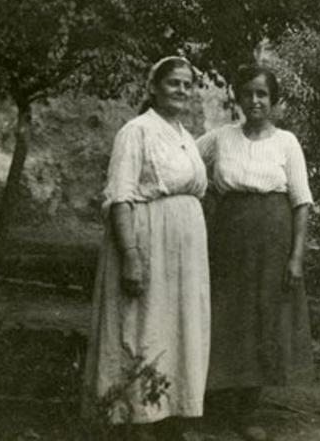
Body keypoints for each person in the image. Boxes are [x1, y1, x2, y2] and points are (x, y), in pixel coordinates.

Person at [83, 56, 210, 440]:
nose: (182, 90)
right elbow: (120, 197)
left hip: (184, 255)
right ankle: (137, 419)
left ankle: (171, 412)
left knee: (178, 328)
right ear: (153, 87)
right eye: (174, 83)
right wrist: (131, 256)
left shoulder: (185, 135)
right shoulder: (135, 131)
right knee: (144, 326)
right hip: (149, 242)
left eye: (187, 84)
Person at [197, 64, 313, 441]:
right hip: (228, 238)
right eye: (248, 93)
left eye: (262, 93)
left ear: (273, 99)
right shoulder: (220, 138)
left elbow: (301, 202)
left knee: (264, 318)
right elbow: (185, 163)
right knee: (227, 316)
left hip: (272, 241)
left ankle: (247, 411)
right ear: (238, 97)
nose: (255, 100)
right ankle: (216, 404)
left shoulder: (287, 142)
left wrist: (296, 257)